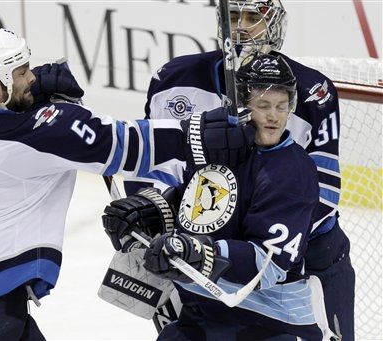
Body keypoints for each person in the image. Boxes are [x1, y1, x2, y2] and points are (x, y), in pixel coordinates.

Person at [0, 25, 255, 340]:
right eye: (21, 73)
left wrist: (36, 98)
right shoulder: (35, 137)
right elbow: (127, 145)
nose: (31, 77)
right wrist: (198, 131)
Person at [124, 1, 354, 338]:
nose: (242, 27)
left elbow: (323, 195)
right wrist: (151, 213)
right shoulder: (175, 79)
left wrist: (233, 245)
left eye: (252, 18)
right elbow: (153, 168)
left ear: (274, 23)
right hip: (197, 256)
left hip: (302, 262)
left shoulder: (312, 92)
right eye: (233, 17)